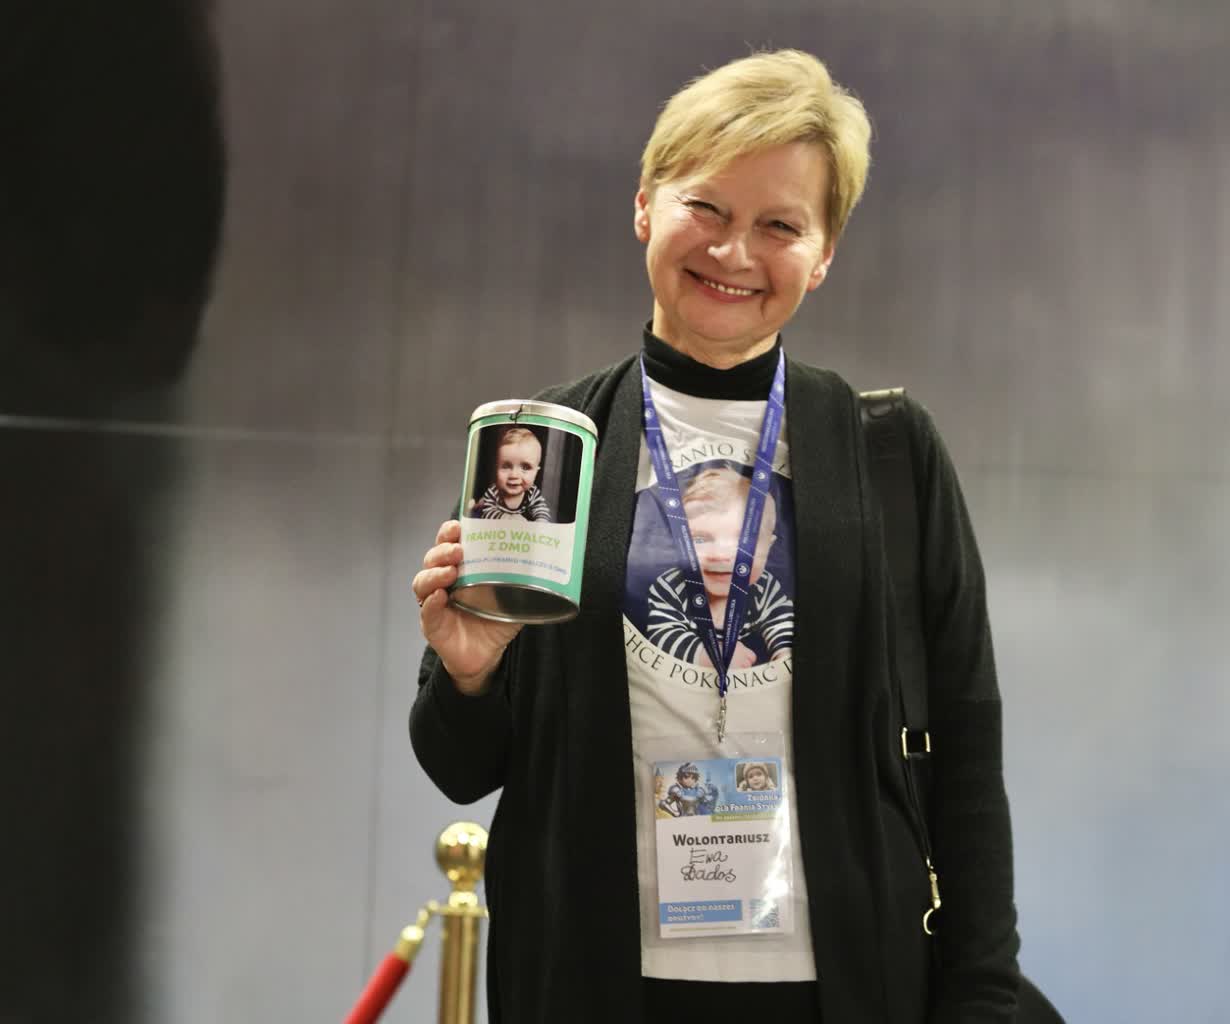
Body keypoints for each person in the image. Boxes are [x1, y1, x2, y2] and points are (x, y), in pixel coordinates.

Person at [410, 49, 1019, 1023]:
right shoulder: (549, 445)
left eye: (780, 225)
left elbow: (968, 750)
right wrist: (470, 672)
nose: (735, 252)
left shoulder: (887, 451)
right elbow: (460, 766)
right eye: (707, 207)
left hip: (843, 990)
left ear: (823, 253)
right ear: (644, 207)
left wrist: (983, 994)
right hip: (596, 986)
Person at [645, 466, 792, 668]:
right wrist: (708, 656)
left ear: (768, 546)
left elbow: (781, 620)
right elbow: (662, 634)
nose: (720, 555)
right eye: (700, 539)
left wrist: (785, 652)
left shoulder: (764, 588)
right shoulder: (671, 588)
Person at [470, 426, 552, 522]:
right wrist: (507, 518)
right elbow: (488, 512)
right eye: (506, 466)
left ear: (536, 472)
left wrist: (541, 522)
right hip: (496, 527)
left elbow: (542, 510)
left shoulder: (532, 493)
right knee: (479, 508)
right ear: (496, 468)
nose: (514, 475)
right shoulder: (495, 491)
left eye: (525, 467)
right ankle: (478, 505)